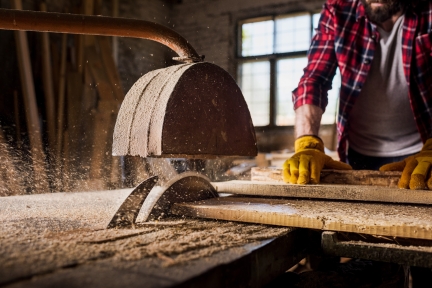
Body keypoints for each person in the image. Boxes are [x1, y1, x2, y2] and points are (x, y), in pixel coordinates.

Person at [284, 0, 432, 191]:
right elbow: (314, 80)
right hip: (358, 152)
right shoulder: (338, 10)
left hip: (422, 153)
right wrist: (307, 142)